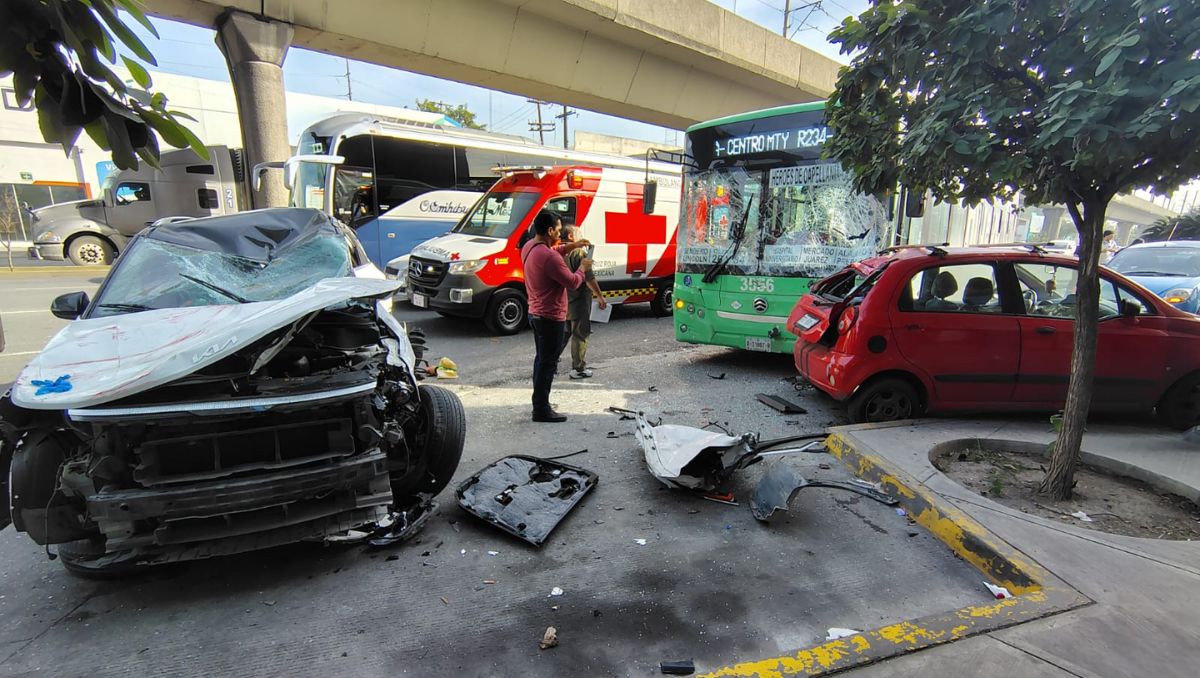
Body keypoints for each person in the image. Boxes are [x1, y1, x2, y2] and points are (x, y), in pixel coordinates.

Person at [521, 210, 593, 423]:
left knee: (541, 360)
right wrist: (582, 267)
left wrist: (573, 246)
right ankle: (541, 409)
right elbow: (572, 281)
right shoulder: (549, 256)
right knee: (548, 364)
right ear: (550, 230)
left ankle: (539, 403)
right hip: (550, 316)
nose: (560, 234)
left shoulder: (529, 247)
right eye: (558, 230)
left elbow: (554, 252)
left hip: (535, 312)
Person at [561, 224, 607, 379]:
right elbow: (589, 278)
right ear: (570, 237)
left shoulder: (559, 252)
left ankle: (550, 362)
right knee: (580, 334)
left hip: (564, 300)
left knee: (565, 334)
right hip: (579, 301)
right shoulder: (578, 252)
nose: (582, 235)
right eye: (579, 233)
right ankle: (578, 369)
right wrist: (600, 296)